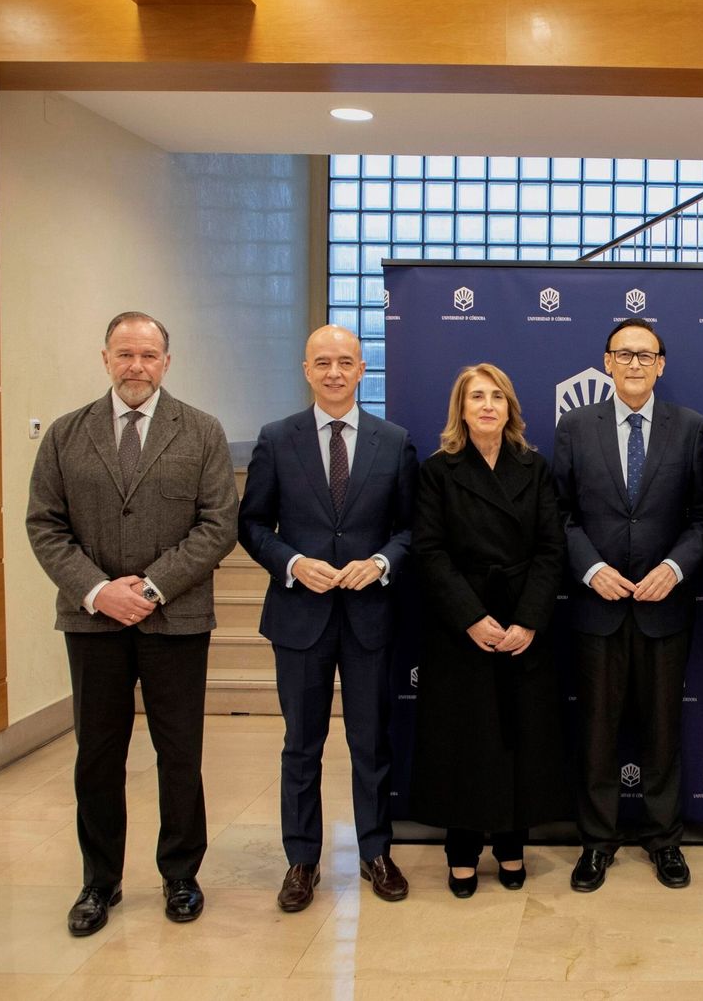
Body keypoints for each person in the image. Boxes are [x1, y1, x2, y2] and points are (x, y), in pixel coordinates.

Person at [26, 311, 237, 936]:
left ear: (167, 362)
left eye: (148, 355)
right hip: (93, 623)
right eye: (125, 354)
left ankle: (180, 874)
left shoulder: (201, 431)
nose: (136, 366)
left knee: (179, 753)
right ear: (105, 359)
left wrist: (149, 587)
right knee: (97, 755)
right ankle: (99, 881)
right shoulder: (67, 435)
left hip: (175, 619)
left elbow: (217, 524)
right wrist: (97, 590)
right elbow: (45, 525)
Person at [237, 325, 418, 913]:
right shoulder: (275, 438)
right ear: (306, 369)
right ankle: (301, 861)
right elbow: (252, 525)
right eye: (323, 362)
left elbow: (412, 529)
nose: (334, 372)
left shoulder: (394, 442)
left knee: (370, 743)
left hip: (369, 615)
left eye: (345, 361)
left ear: (363, 369)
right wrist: (290, 563)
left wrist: (383, 562)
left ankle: (375, 851)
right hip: (299, 616)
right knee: (301, 745)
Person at [553, 319, 703, 892]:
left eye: (646, 354)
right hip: (596, 608)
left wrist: (674, 570)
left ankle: (664, 841)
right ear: (607, 361)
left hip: (664, 609)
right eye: (624, 354)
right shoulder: (575, 427)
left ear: (662, 364)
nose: (635, 364)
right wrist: (591, 569)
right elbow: (561, 514)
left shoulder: (691, 428)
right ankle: (597, 844)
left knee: (662, 732)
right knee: (596, 732)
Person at [409, 363, 569, 897]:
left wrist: (527, 620)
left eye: (497, 396)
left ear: (510, 407)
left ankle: (511, 844)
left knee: (517, 738)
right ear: (461, 408)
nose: (487, 405)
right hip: (462, 625)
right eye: (476, 396)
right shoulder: (437, 470)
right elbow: (428, 551)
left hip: (522, 621)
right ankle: (460, 850)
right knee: (464, 740)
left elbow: (552, 548)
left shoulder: (535, 466)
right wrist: (471, 617)